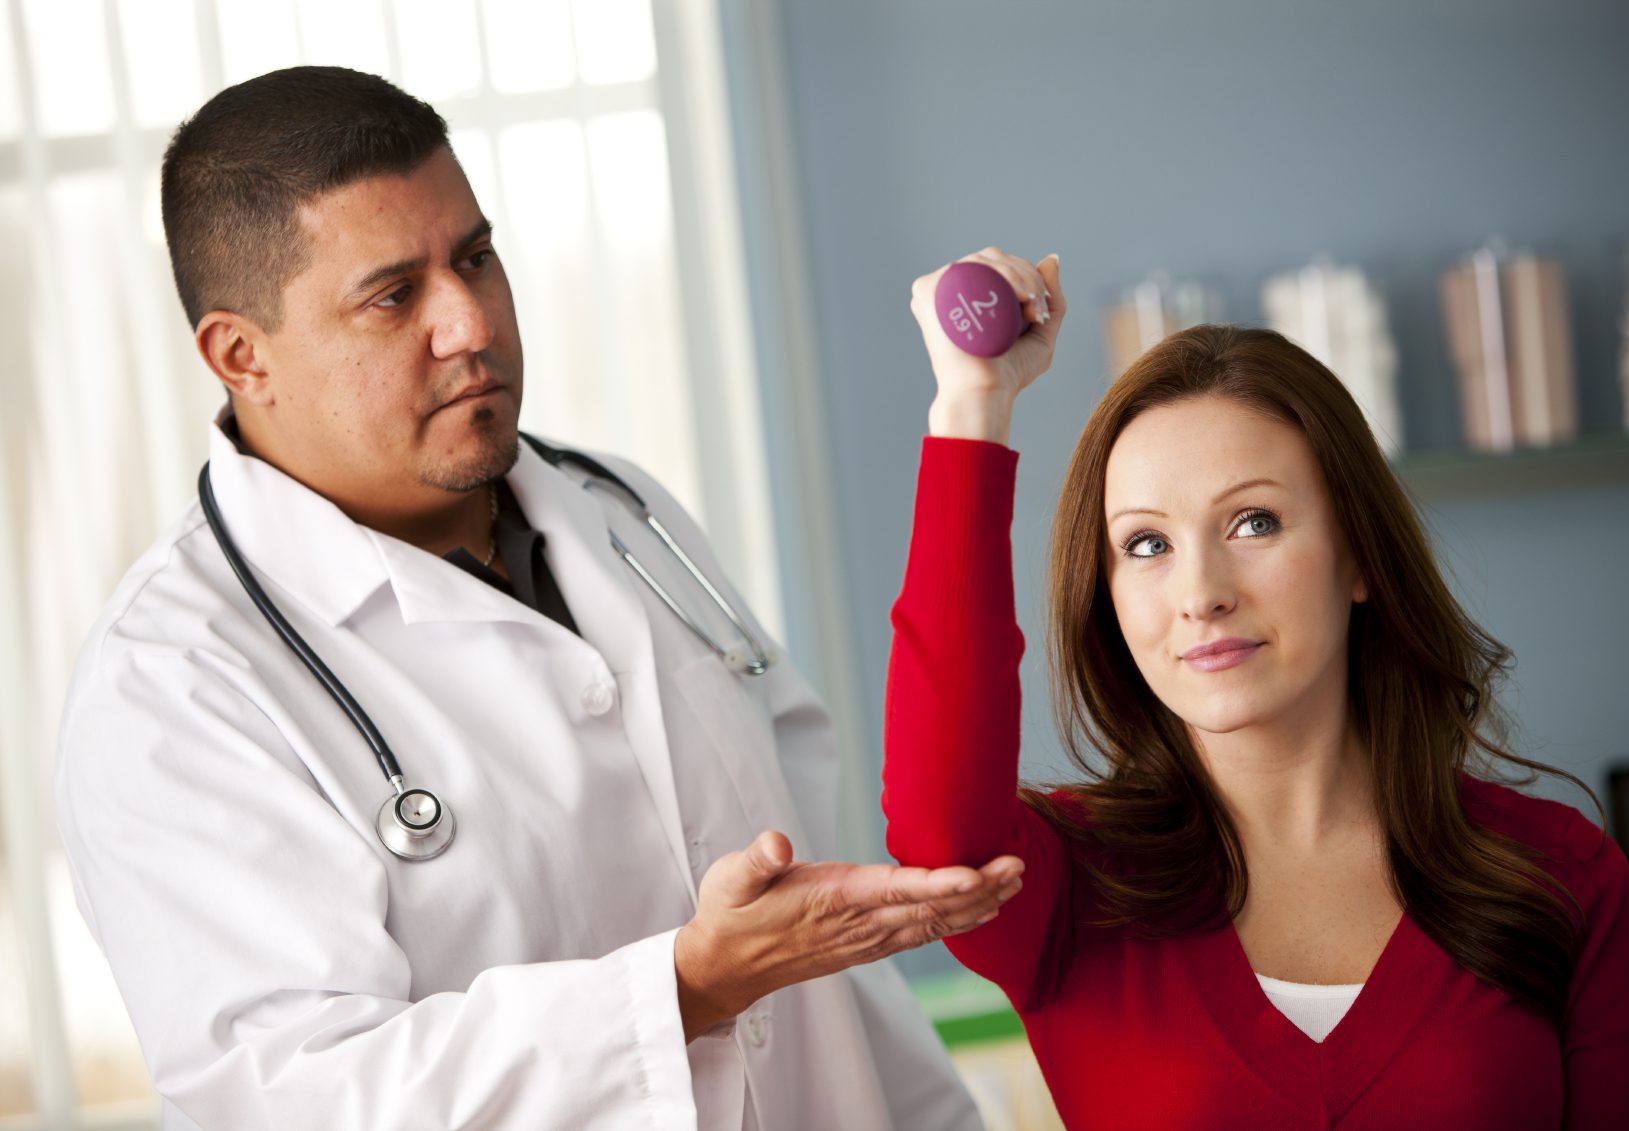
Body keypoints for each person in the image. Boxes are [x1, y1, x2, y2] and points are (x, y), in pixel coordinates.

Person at [55, 67, 1022, 1130]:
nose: (470, 323)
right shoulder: (172, 689)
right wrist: (684, 991)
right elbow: (301, 1094)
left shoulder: (618, 510)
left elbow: (829, 950)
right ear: (241, 356)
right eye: (394, 295)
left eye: (475, 256)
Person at [884, 248, 1629, 1129]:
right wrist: (972, 405)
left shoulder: (1562, 874)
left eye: (1253, 522)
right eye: (1147, 544)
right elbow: (940, 838)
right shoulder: (1073, 886)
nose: (1201, 592)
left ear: (1360, 555)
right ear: (1105, 594)